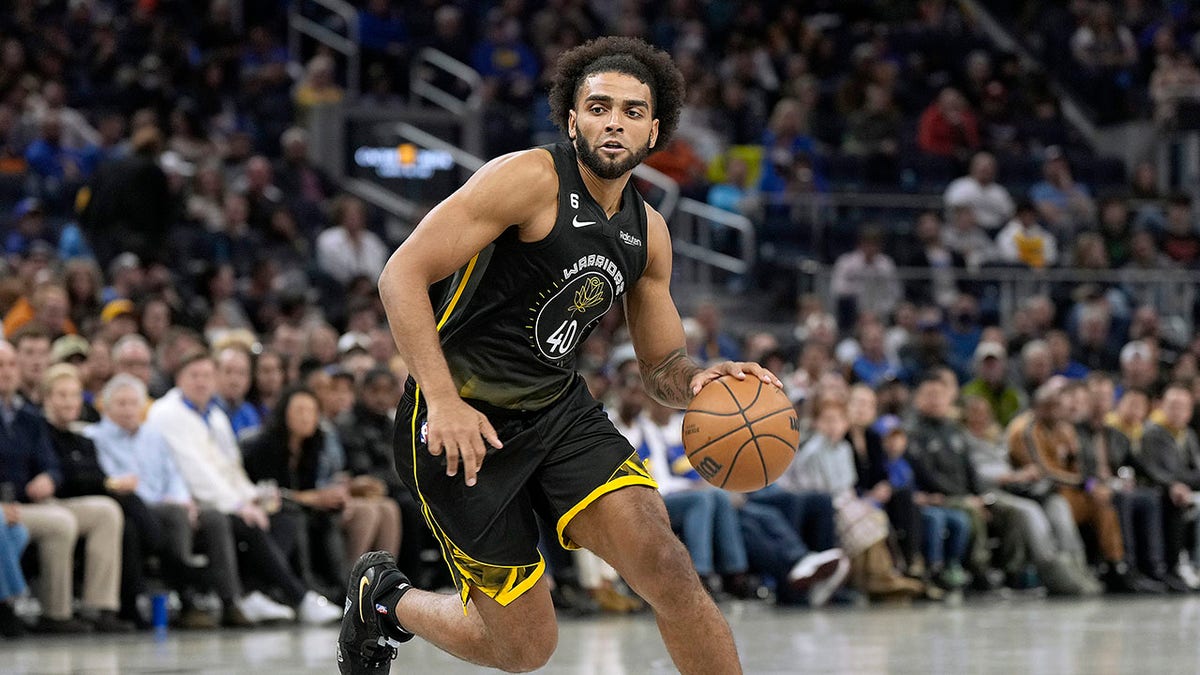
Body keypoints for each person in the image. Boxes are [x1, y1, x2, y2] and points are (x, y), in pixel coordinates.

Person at [339, 37, 782, 675]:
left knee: (669, 569)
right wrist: (441, 399)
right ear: (572, 119)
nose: (614, 121)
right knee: (524, 650)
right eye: (599, 107)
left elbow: (662, 369)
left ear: (654, 130)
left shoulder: (649, 232)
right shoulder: (528, 178)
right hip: (463, 422)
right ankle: (386, 599)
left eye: (632, 111)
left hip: (558, 413)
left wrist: (701, 382)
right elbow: (400, 275)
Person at [144, 351, 341, 625]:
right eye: (194, 376)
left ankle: (256, 592)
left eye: (207, 376)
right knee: (245, 522)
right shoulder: (167, 413)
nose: (202, 382)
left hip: (222, 498)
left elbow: (232, 469)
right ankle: (299, 597)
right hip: (191, 500)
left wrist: (251, 498)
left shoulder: (215, 416)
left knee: (284, 517)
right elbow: (195, 473)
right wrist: (237, 505)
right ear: (179, 379)